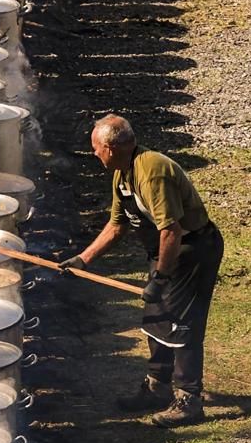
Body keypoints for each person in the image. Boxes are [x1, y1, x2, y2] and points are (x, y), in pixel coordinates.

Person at [64, 114, 224, 426]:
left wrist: (161, 277)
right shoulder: (121, 175)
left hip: (193, 250)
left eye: (96, 148)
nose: (94, 154)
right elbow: (116, 225)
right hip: (167, 252)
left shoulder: (151, 173)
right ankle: (157, 388)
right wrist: (83, 259)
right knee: (156, 318)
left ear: (110, 148)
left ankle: (189, 400)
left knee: (181, 323)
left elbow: (171, 231)